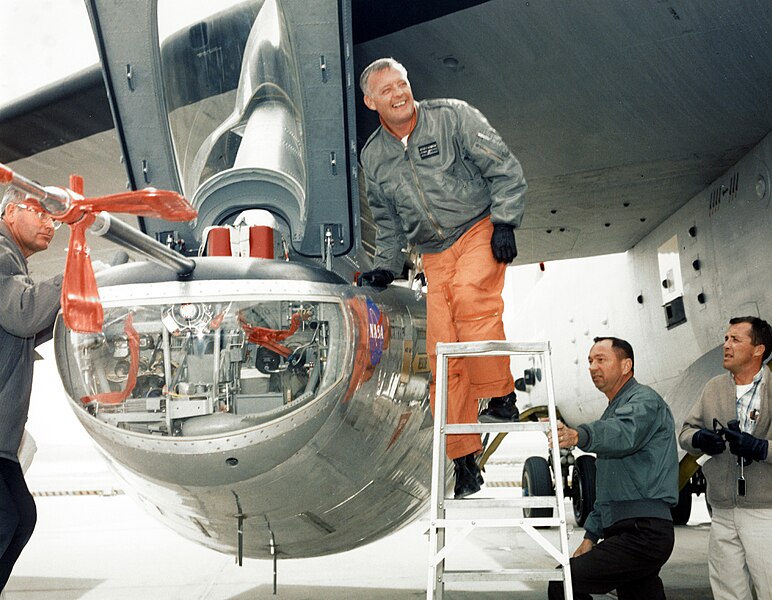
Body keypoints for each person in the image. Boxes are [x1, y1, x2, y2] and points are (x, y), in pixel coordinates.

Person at [357, 57, 527, 498]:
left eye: (403, 83)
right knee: (442, 356)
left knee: (473, 301)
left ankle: (502, 398)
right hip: (433, 253)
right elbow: (387, 219)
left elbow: (503, 167)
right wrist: (388, 265)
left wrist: (505, 222)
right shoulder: (374, 156)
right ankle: (464, 458)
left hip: (477, 229)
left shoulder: (452, 117)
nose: (399, 94)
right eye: (388, 90)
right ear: (371, 101)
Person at [547, 336, 678, 600]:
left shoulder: (643, 402)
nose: (593, 367)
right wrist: (591, 535)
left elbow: (624, 433)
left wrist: (579, 436)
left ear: (626, 365)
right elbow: (607, 487)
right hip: (629, 531)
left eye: (601, 359)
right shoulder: (615, 408)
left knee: (564, 583)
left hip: (643, 533)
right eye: (590, 361)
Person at [679, 316, 772, 600]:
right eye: (726, 339)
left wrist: (761, 449)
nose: (726, 346)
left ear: (758, 349)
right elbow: (685, 432)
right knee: (728, 592)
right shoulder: (713, 388)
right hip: (721, 512)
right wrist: (698, 439)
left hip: (765, 513)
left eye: (735, 339)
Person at [0, 186, 63, 592]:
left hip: (3, 437)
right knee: (10, 518)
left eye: (54, 218)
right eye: (40, 212)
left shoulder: (13, 262)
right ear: (9, 212)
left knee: (19, 517)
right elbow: (22, 314)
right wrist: (76, 273)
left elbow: (25, 330)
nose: (51, 223)